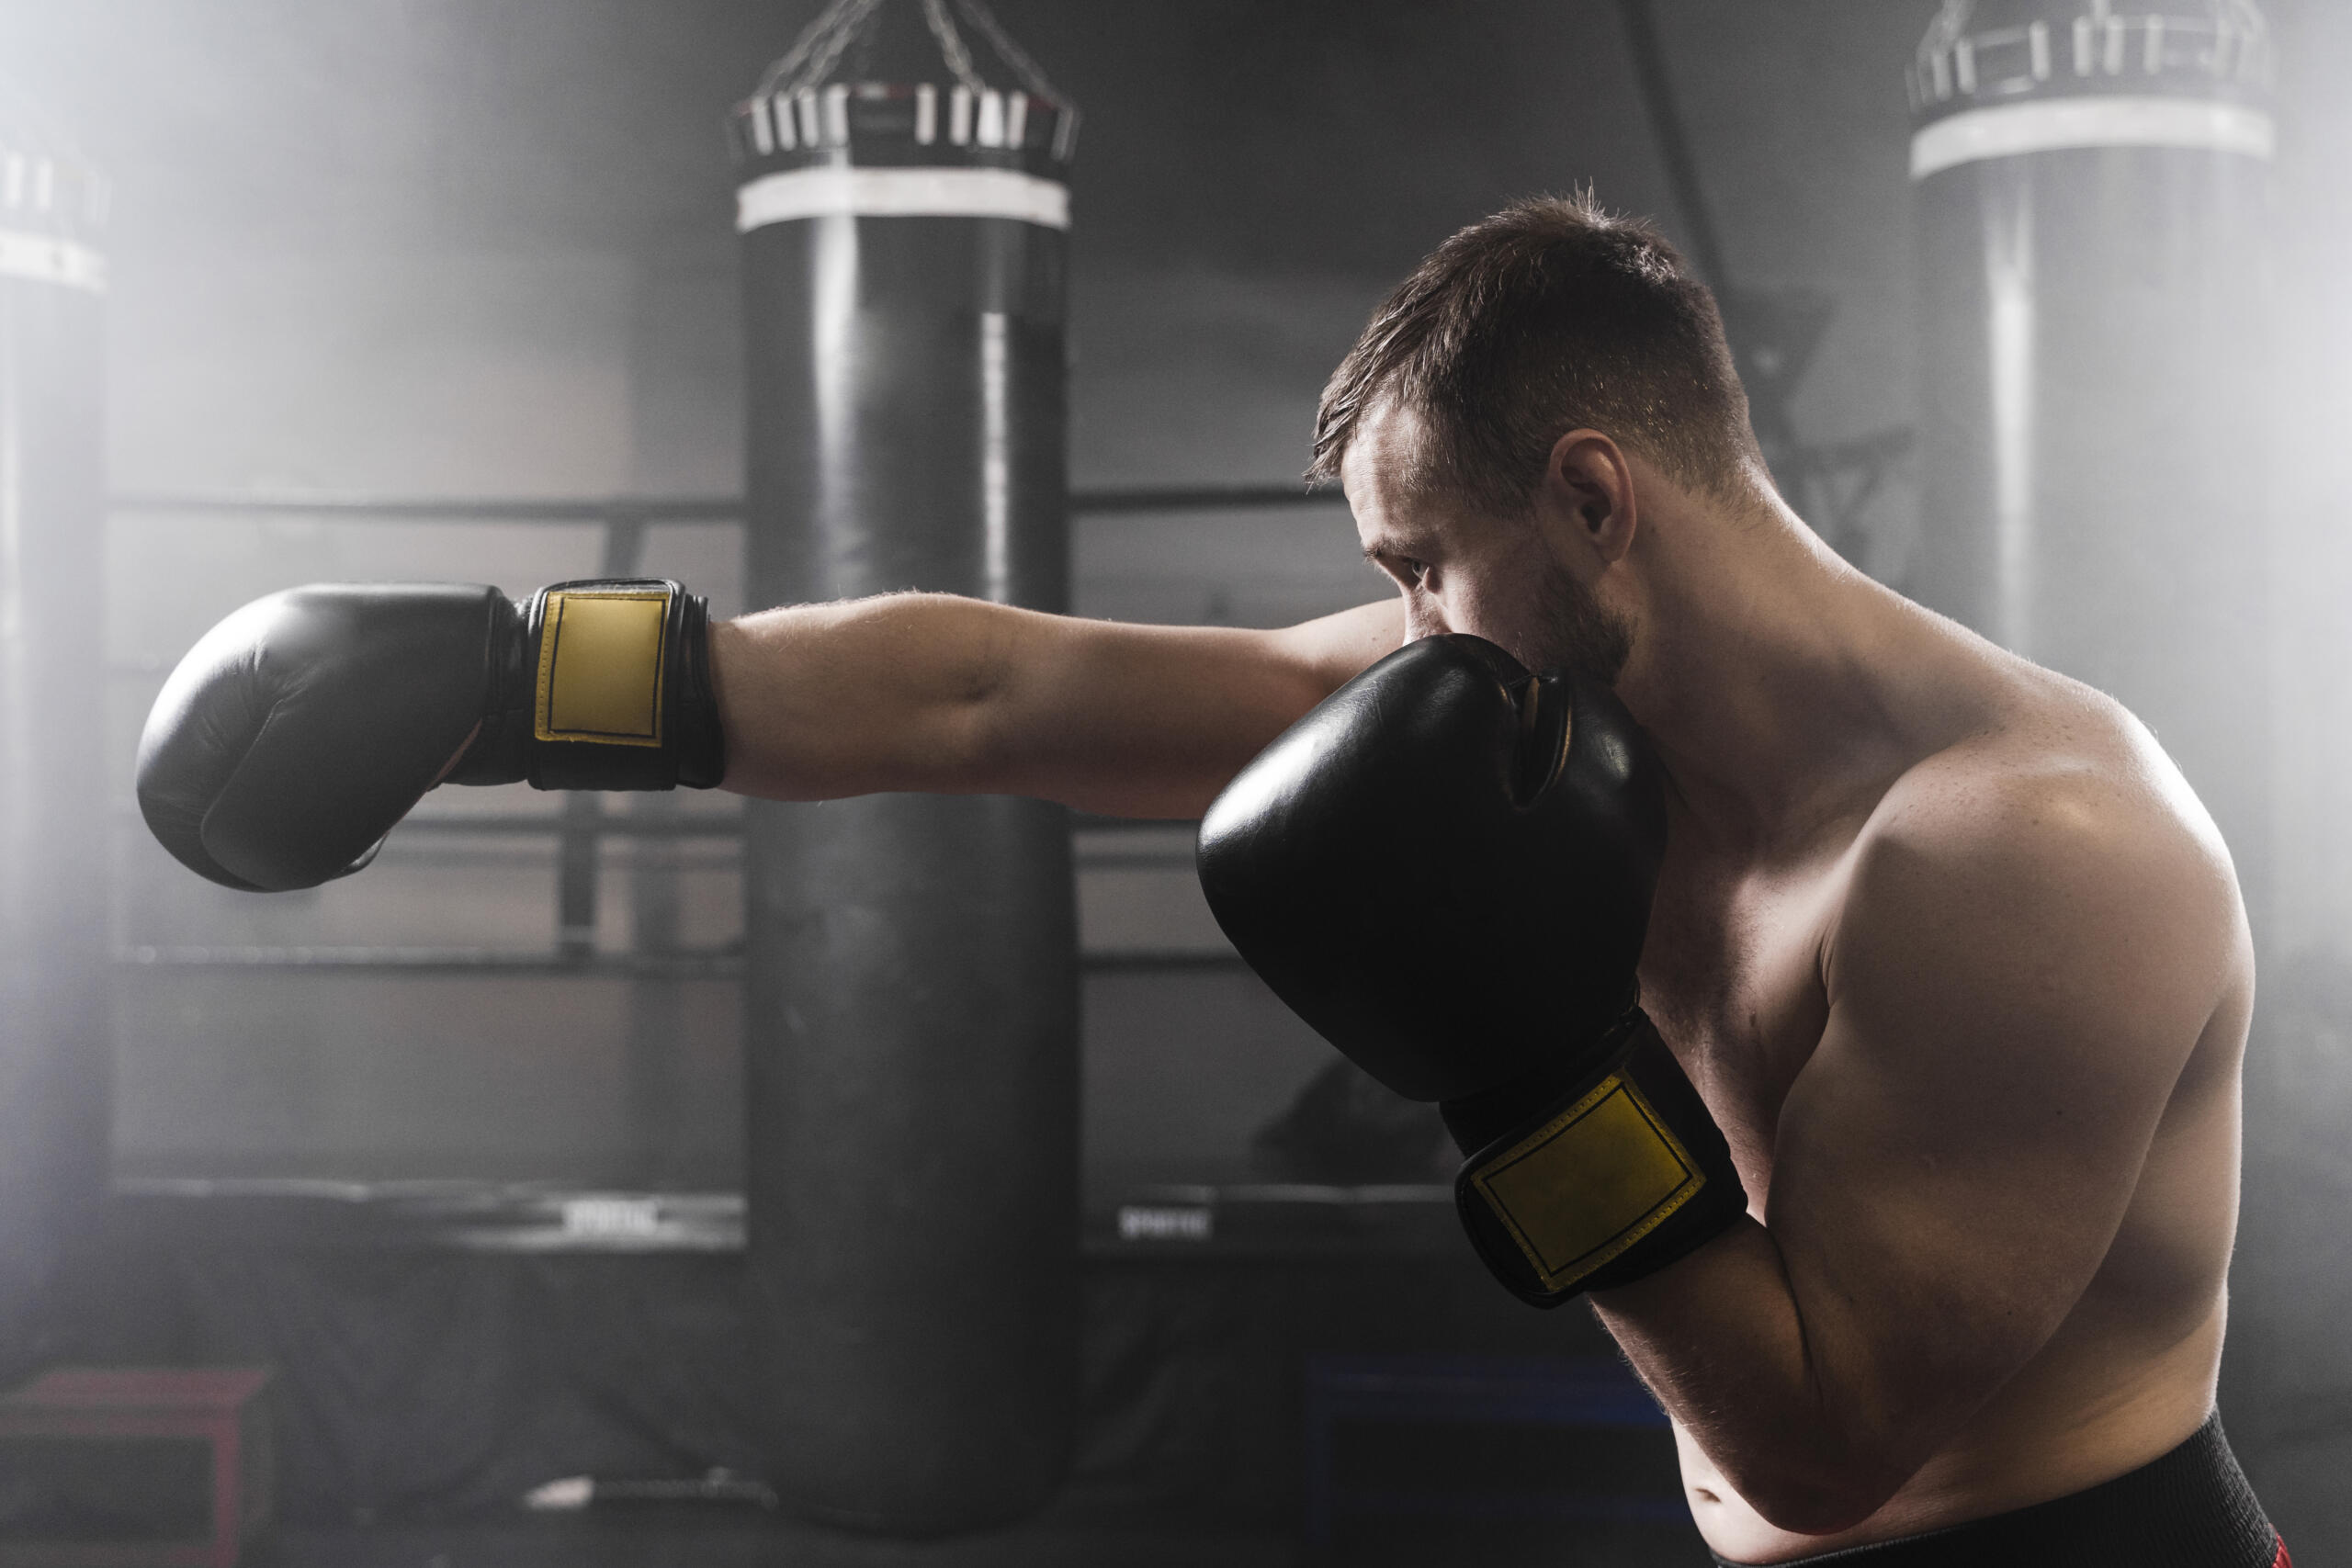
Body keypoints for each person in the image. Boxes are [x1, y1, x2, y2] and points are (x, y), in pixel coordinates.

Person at [136, 194, 2282, 1565]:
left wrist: (1523, 1072)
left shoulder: (2025, 848)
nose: (1402, 630)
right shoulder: (1547, 706)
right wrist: (513, 679)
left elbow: (1827, 1444)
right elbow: (990, 692)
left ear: (1592, 495)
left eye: (1420, 563)